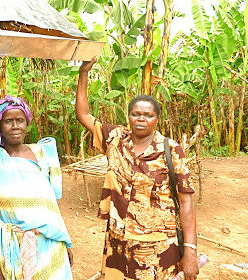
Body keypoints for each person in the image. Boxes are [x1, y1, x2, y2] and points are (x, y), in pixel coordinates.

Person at [0, 28, 73, 280]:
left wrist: (65, 239)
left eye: (20, 120)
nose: (16, 125)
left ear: (27, 123)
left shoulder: (43, 153)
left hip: (51, 243)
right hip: (12, 246)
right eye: (8, 121)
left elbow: (51, 201)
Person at [76, 59, 199, 280]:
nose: (141, 118)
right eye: (136, 114)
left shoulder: (171, 150)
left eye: (148, 115)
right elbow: (84, 115)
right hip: (118, 238)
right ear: (129, 116)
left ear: (157, 119)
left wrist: (190, 249)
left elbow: (186, 201)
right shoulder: (115, 139)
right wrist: (83, 74)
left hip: (158, 246)